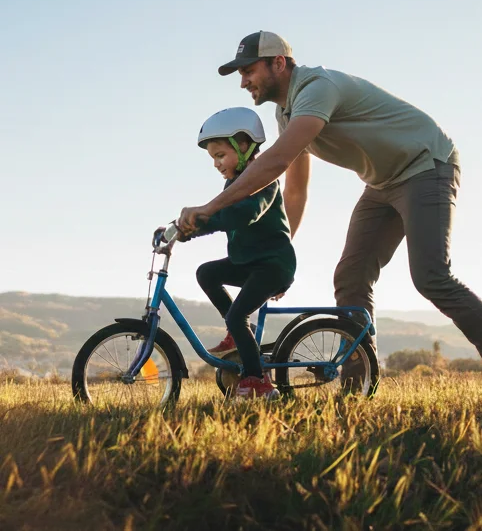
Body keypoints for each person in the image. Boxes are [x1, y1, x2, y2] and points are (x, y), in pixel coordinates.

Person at [179, 30, 482, 365]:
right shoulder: (286, 114)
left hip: (427, 165)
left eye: (249, 71)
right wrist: (275, 257)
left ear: (278, 63)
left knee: (431, 276)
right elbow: (295, 188)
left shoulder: (317, 89)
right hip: (381, 183)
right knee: (351, 278)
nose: (243, 82)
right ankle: (358, 381)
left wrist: (210, 207)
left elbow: (275, 162)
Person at [175, 106, 296, 399]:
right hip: (249, 262)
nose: (216, 163)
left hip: (273, 265)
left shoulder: (262, 180)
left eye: (220, 155)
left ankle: (258, 381)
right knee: (207, 273)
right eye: (213, 158)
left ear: (244, 146)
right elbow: (221, 216)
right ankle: (238, 334)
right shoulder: (233, 184)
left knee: (237, 315)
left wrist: (205, 220)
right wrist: (190, 230)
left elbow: (245, 215)